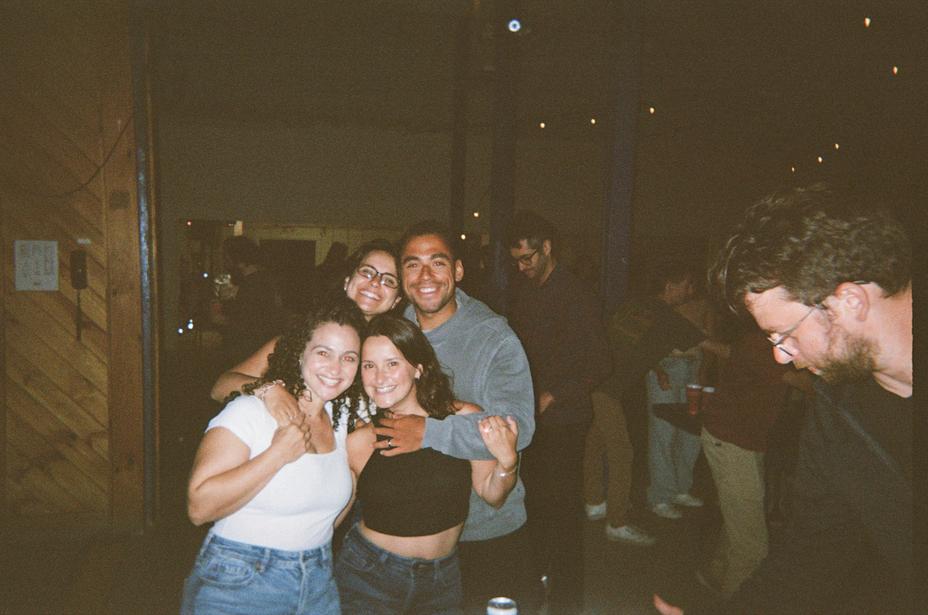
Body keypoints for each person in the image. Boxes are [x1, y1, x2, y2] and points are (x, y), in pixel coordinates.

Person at [654, 184, 913, 614]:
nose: (780, 355)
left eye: (784, 334)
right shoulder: (835, 410)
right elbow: (809, 561)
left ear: (849, 302)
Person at [371, 221, 539, 613]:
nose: (425, 276)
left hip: (483, 530)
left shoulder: (493, 337)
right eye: (413, 265)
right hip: (406, 532)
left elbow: (518, 425)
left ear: (458, 270)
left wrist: (429, 432)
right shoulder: (392, 328)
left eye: (438, 262)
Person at [180, 300, 365, 615]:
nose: (336, 368)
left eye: (349, 358)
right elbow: (199, 507)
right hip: (240, 579)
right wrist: (277, 455)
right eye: (323, 353)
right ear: (300, 354)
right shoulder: (250, 411)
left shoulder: (342, 421)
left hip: (318, 581)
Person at [336, 314, 519, 614]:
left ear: (418, 368)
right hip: (368, 575)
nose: (379, 378)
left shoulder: (462, 419)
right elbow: (333, 514)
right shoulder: (362, 440)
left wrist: (508, 461)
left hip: (442, 579)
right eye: (369, 366)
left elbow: (493, 494)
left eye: (392, 363)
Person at [506, 210, 611, 612]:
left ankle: (568, 603)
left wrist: (554, 394)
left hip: (565, 419)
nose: (522, 267)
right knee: (533, 504)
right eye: (516, 261)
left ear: (547, 248)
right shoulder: (526, 291)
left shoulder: (576, 294)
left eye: (527, 258)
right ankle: (539, 580)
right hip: (532, 417)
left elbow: (601, 362)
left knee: (563, 511)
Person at [210, 239, 402, 421]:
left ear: (397, 301)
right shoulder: (307, 336)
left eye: (389, 280)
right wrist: (268, 390)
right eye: (367, 272)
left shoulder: (394, 353)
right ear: (347, 281)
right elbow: (220, 387)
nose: (375, 282)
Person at [696, 320, 812, 597]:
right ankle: (736, 600)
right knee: (753, 547)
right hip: (733, 441)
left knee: (743, 514)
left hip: (738, 439)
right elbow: (803, 383)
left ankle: (717, 572)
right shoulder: (762, 346)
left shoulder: (759, 339)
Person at [219, 235, 286, 364]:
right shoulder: (263, 280)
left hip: (250, 355)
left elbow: (248, 326)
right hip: (260, 352)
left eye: (227, 258)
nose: (224, 263)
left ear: (239, 260)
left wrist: (222, 318)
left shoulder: (252, 286)